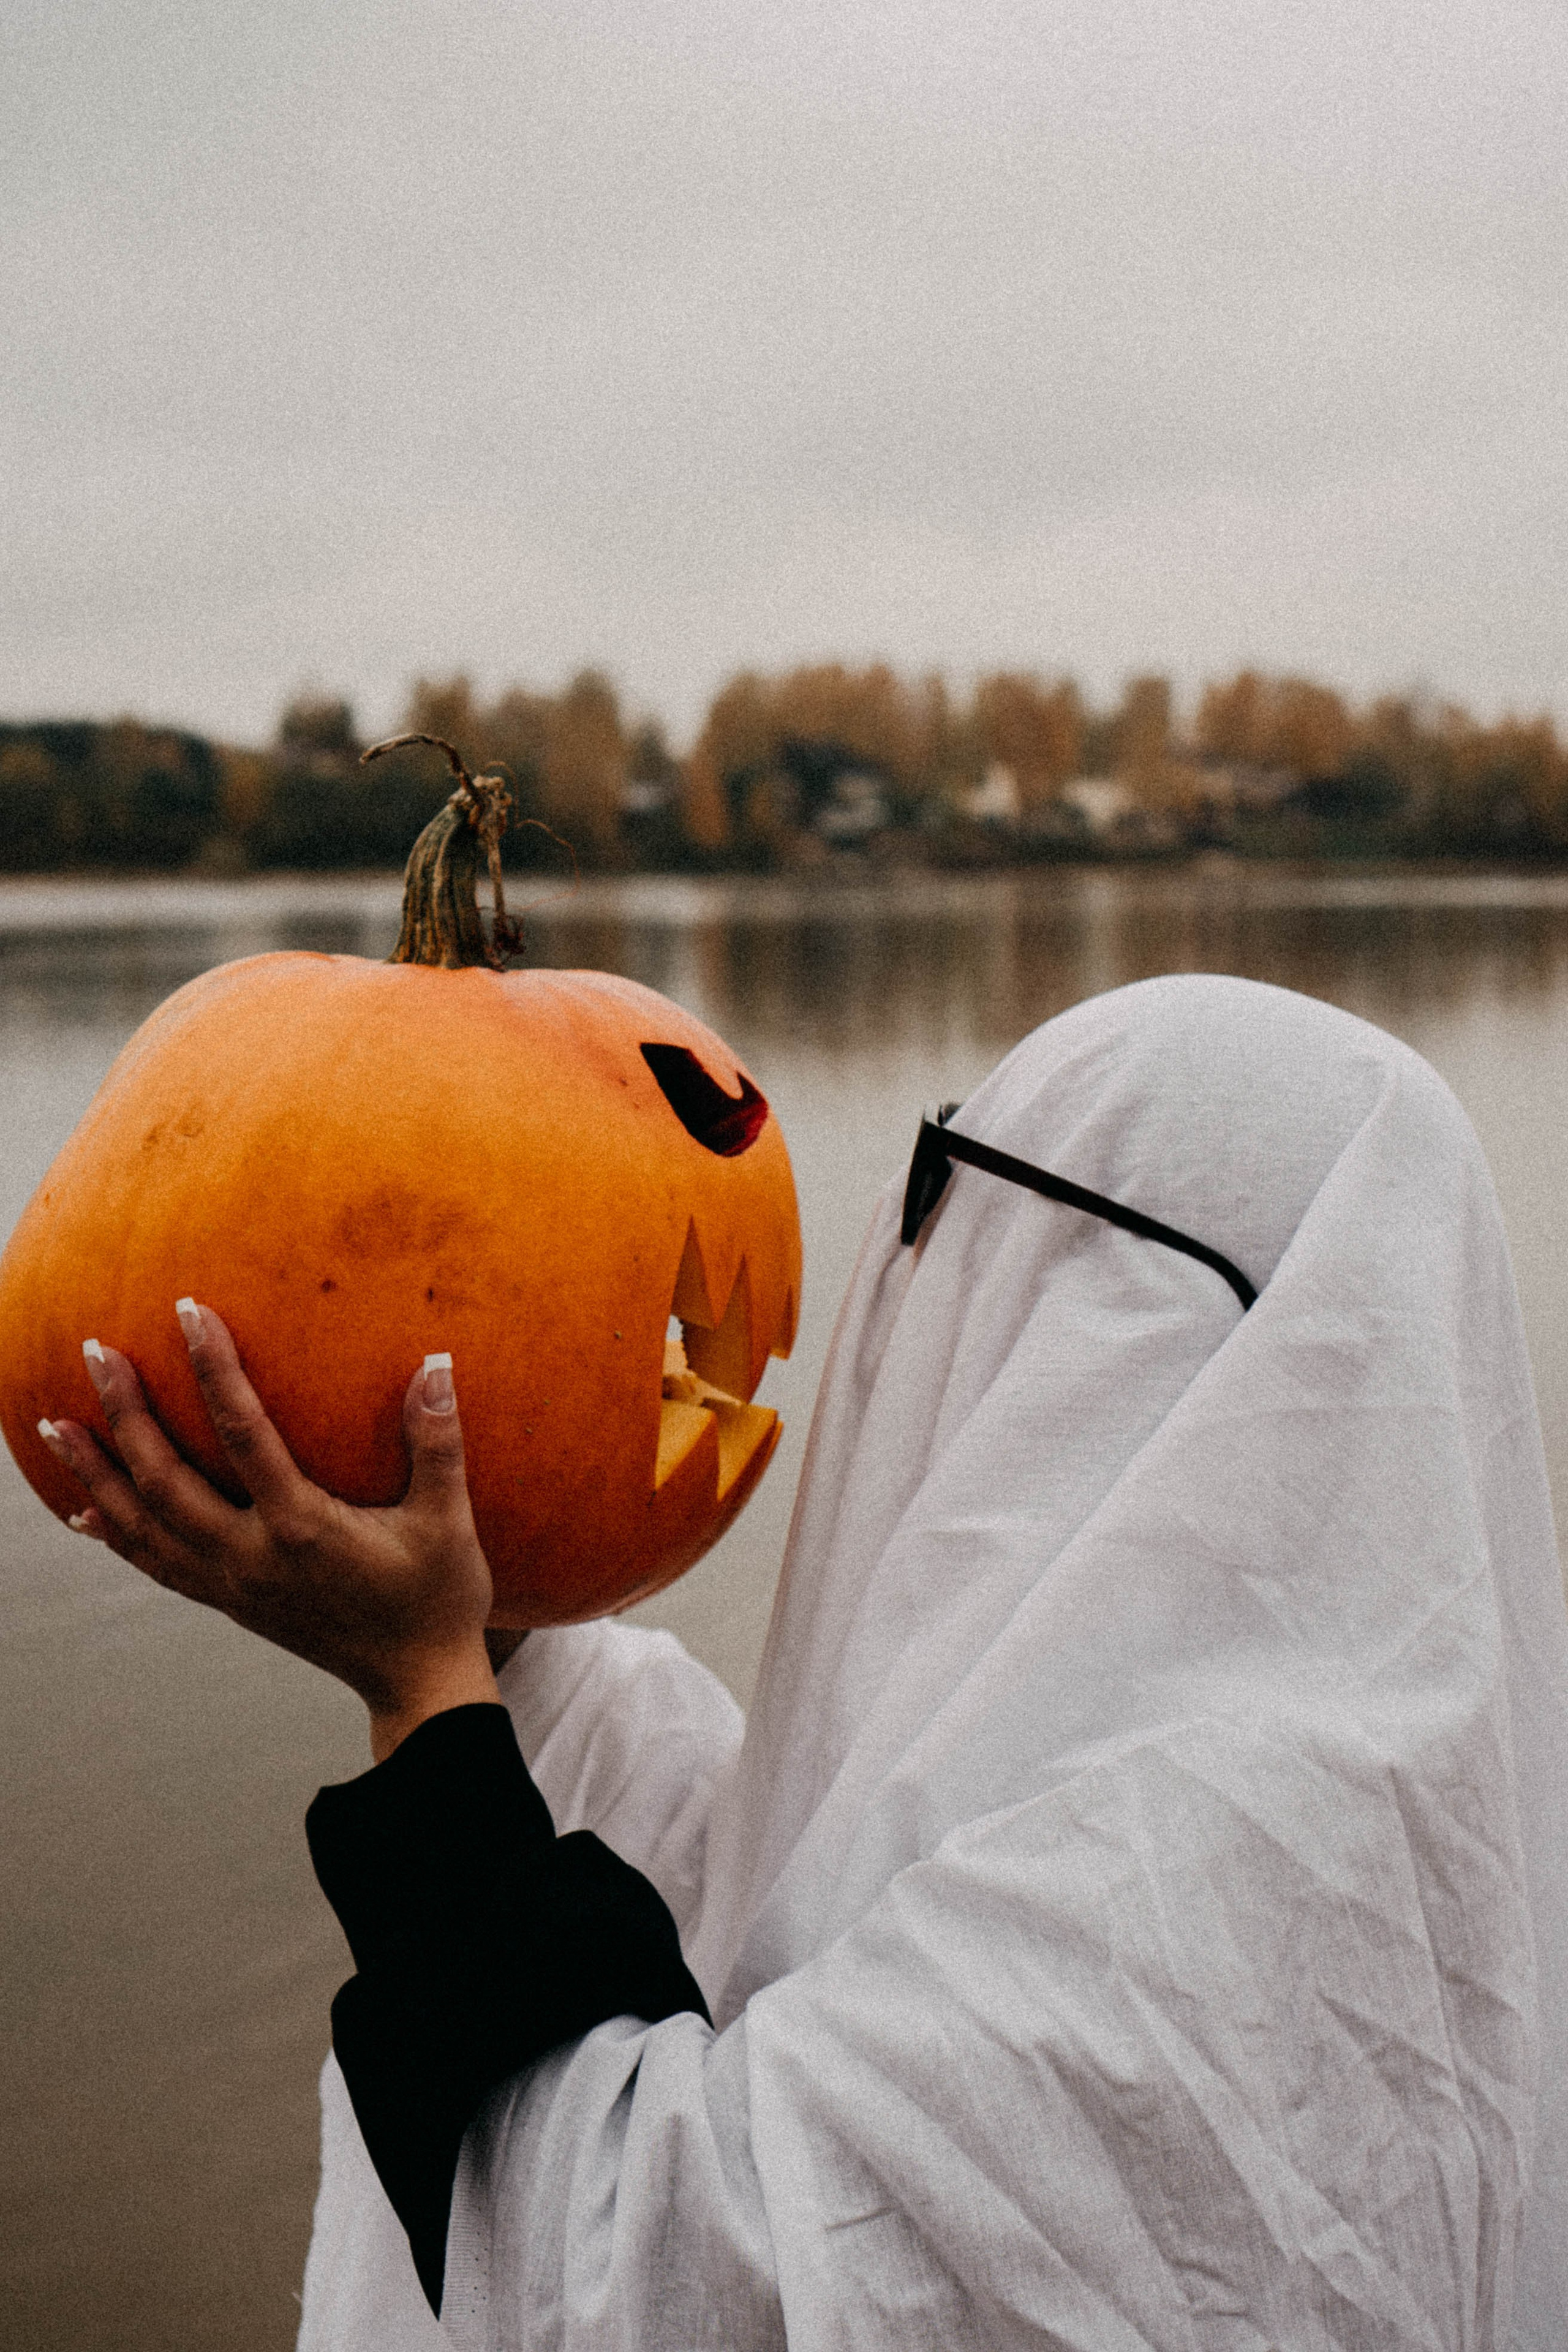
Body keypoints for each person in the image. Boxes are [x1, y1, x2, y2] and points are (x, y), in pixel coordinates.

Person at [39, 975, 1568, 2351]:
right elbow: (780, 1913)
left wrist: (429, 1706)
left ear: (1099, 1306)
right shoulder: (1347, 1774)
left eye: (954, 1228)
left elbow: (669, 2287)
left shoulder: (1201, 1864)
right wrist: (465, 1633)